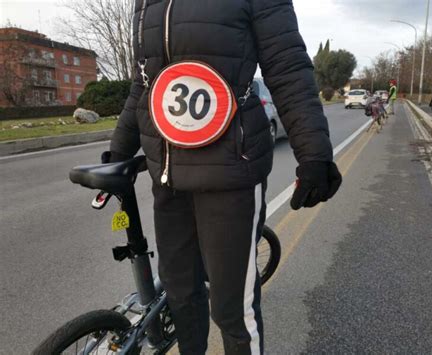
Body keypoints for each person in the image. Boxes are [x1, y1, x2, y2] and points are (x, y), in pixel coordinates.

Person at [106, 1, 342, 354]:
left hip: (232, 171)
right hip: (169, 175)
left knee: (232, 310)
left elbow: (287, 67)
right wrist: (118, 153)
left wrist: (314, 154)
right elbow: (144, 85)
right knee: (181, 296)